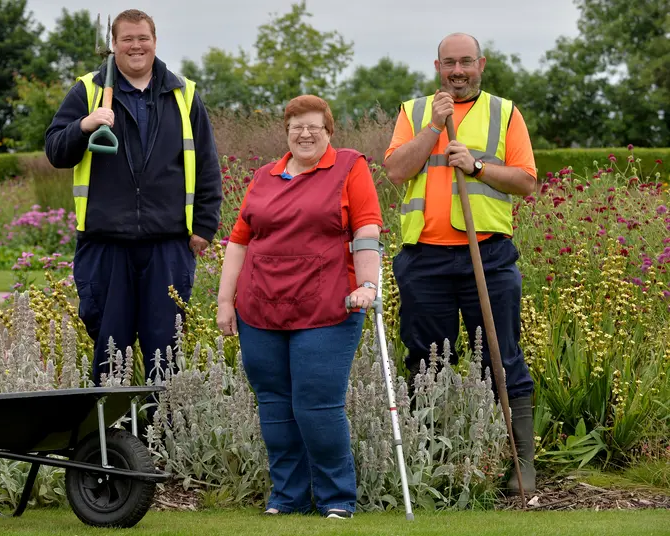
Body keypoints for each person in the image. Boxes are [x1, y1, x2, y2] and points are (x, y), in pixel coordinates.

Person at [383, 32, 538, 494]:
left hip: (486, 255)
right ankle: (432, 461)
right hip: (424, 259)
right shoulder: (413, 113)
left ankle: (521, 464)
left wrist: (475, 166)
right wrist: (433, 127)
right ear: (437, 66)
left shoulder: (505, 112)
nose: (457, 71)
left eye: (466, 62)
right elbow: (395, 171)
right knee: (426, 363)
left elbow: (526, 182)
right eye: (449, 63)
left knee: (502, 358)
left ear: (481, 64)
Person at [216, 95, 383, 519]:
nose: (305, 134)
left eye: (314, 127)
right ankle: (286, 498)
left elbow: (366, 228)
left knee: (316, 404)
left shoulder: (349, 166)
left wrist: (368, 284)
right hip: (260, 307)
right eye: (296, 127)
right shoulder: (264, 176)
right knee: (273, 404)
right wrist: (224, 301)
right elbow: (240, 240)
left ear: (329, 131)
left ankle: (336, 499)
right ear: (286, 132)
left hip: (327, 306)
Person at [44, 10, 222, 386]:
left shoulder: (184, 94)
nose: (136, 46)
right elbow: (57, 151)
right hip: (106, 245)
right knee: (111, 357)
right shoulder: (88, 92)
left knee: (166, 357)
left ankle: (163, 443)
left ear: (155, 42)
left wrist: (205, 226)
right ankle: (112, 443)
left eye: (143, 38)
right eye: (127, 39)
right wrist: (84, 125)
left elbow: (207, 164)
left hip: (168, 244)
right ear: (114, 45)